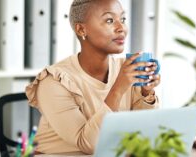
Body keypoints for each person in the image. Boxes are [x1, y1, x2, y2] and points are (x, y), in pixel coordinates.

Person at [25, 0, 160, 155]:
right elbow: (89, 145)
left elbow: (142, 133)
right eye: (110, 20)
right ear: (81, 29)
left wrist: (146, 92)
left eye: (122, 19)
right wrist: (118, 89)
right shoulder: (53, 81)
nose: (121, 28)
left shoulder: (125, 69)